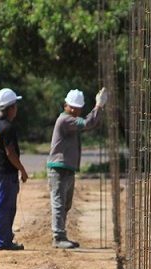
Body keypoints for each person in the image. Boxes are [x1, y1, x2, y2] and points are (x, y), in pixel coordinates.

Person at [46, 87, 107, 249]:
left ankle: (61, 234)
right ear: (65, 105)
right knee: (59, 203)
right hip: (58, 169)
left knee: (65, 204)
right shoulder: (66, 120)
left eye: (77, 108)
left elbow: (90, 122)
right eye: (72, 107)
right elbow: (88, 123)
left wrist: (98, 110)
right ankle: (58, 237)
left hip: (67, 168)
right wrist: (98, 106)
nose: (74, 110)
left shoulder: (71, 120)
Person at [0, 88, 28, 250]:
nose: (16, 110)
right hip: (6, 174)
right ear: (10, 108)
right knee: (5, 207)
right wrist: (22, 170)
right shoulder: (8, 128)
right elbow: (10, 153)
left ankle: (4, 236)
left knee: (2, 206)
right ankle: (2, 241)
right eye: (15, 106)